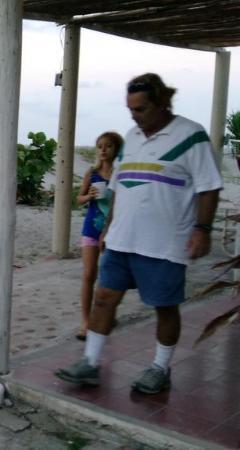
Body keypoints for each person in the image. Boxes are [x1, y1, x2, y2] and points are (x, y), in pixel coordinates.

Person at [56, 73, 222, 394]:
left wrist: (202, 229)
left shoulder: (192, 136)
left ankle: (160, 367)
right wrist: (107, 228)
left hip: (165, 244)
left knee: (164, 306)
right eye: (130, 109)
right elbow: (119, 187)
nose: (134, 115)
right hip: (121, 240)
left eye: (141, 109)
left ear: (162, 103)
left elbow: (209, 186)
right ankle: (90, 363)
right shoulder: (131, 137)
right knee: (103, 298)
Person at [75, 131, 123, 341]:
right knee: (88, 275)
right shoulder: (91, 173)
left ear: (116, 149)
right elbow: (78, 199)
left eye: (108, 146)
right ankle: (86, 322)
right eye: (100, 146)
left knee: (109, 277)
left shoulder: (120, 174)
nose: (103, 150)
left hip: (114, 231)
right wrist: (89, 196)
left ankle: (107, 315)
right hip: (91, 229)